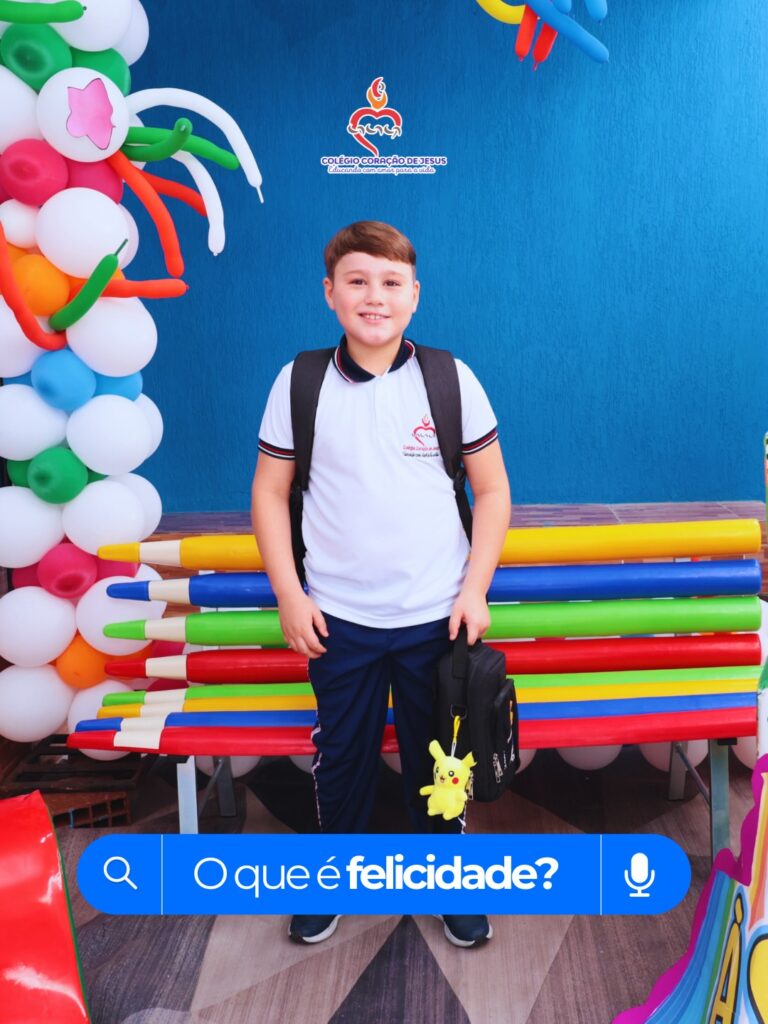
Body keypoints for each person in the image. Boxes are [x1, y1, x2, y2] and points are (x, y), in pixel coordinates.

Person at [251, 221, 511, 947]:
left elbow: (492, 491)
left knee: (444, 762)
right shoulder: (299, 382)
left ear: (414, 295)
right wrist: (290, 594)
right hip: (338, 619)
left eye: (391, 282)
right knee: (342, 760)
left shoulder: (450, 380)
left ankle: (447, 875)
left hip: (439, 618)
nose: (375, 296)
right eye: (358, 281)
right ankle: (334, 875)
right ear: (330, 293)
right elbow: (269, 492)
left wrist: (474, 589)